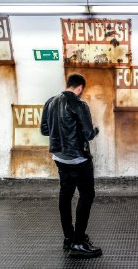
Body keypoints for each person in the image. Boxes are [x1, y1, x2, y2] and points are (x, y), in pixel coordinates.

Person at [41, 74, 102, 258]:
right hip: (78, 158)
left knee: (65, 195)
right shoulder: (79, 104)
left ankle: (69, 238)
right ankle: (78, 243)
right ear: (80, 88)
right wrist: (96, 130)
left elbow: (44, 130)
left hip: (59, 157)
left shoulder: (50, 102)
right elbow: (89, 134)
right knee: (87, 195)